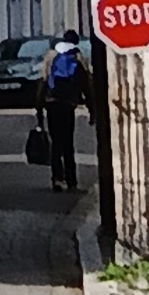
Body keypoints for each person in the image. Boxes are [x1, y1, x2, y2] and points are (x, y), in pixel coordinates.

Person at [41, 23, 86, 191]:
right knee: (68, 142)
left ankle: (57, 179)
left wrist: (39, 109)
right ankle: (71, 180)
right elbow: (86, 83)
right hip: (68, 105)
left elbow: (43, 82)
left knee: (56, 142)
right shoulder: (77, 57)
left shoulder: (51, 56)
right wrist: (92, 107)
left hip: (52, 104)